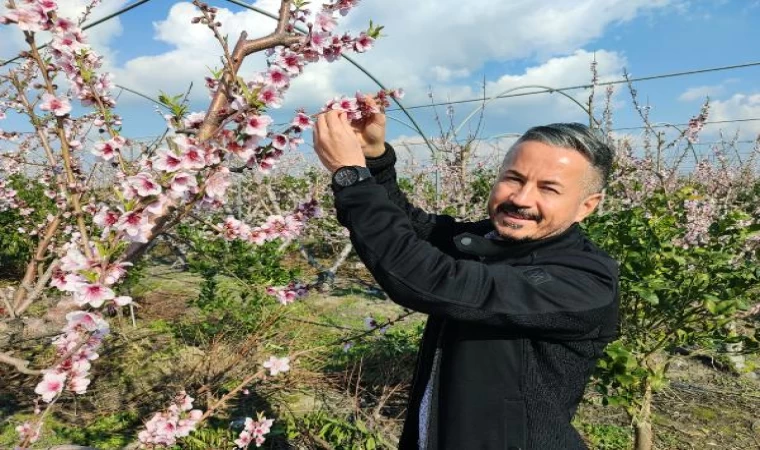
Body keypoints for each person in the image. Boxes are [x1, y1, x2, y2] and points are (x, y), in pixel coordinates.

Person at [312, 101, 620, 450]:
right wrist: (375, 158)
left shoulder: (586, 282)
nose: (521, 198)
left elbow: (429, 279)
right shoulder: (492, 241)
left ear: (587, 205)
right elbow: (417, 230)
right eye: (513, 178)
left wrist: (351, 177)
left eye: (548, 188)